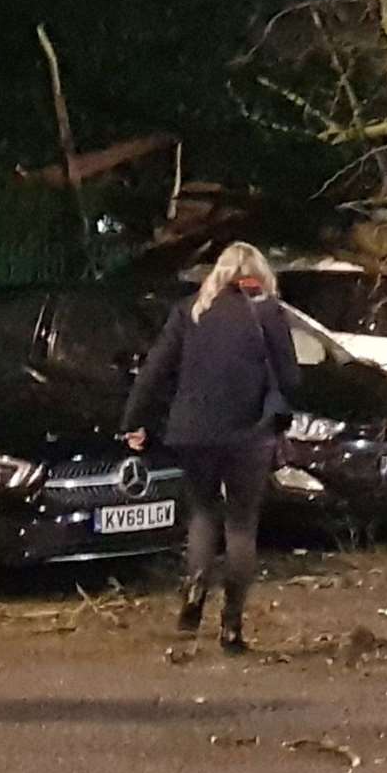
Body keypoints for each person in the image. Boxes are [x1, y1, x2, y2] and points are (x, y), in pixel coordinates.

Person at [122, 242, 300, 653]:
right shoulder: (268, 312)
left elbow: (155, 370)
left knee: (202, 515)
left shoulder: (190, 311)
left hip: (193, 432)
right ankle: (232, 628)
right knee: (241, 526)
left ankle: (193, 595)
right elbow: (291, 379)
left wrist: (133, 422)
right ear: (258, 272)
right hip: (250, 434)